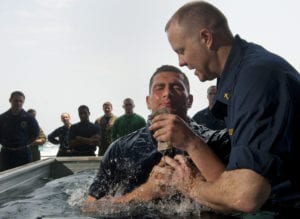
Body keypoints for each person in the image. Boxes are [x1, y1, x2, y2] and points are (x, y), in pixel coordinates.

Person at [157, 1, 300, 218]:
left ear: (206, 38)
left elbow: (245, 196)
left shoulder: (257, 79)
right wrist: (191, 143)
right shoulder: (239, 76)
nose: (181, 62)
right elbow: (237, 178)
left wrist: (188, 185)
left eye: (182, 50)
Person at [83, 65, 230, 211]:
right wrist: (146, 191)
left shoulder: (216, 141)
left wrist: (194, 184)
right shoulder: (120, 149)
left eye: (177, 87)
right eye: (159, 88)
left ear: (189, 100)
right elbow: (90, 206)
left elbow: (236, 198)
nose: (167, 93)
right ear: (148, 101)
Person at [0, 91, 39, 171]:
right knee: (5, 180)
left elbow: (35, 134)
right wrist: (4, 143)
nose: (18, 103)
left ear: (23, 102)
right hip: (6, 153)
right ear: (10, 100)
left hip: (23, 153)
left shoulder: (29, 118)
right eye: (15, 100)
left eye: (20, 101)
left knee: (25, 178)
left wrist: (24, 143)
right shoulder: (2, 118)